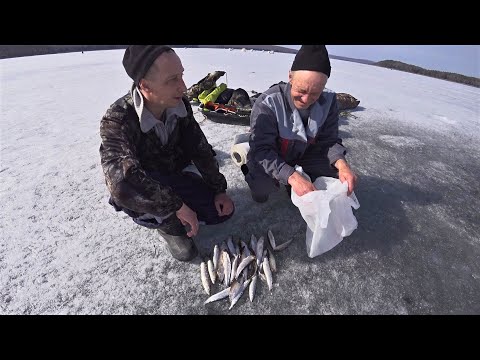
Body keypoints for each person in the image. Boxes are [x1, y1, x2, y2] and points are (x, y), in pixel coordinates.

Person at [99, 45, 235, 262]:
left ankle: (180, 207)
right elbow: (122, 185)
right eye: (172, 80)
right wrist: (176, 206)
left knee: (219, 213)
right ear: (145, 85)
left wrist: (219, 189)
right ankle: (165, 225)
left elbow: (198, 147)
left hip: (174, 174)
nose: (183, 87)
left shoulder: (179, 104)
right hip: (143, 185)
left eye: (181, 76)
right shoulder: (118, 121)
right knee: (185, 249)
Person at [242, 45, 357, 203]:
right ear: (290, 76)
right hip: (272, 155)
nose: (306, 100)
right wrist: (291, 175)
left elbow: (329, 141)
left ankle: (294, 187)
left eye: (315, 93)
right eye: (301, 90)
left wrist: (341, 163)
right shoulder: (268, 103)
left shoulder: (329, 102)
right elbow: (261, 149)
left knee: (336, 177)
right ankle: (265, 185)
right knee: (262, 186)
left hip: (305, 155)